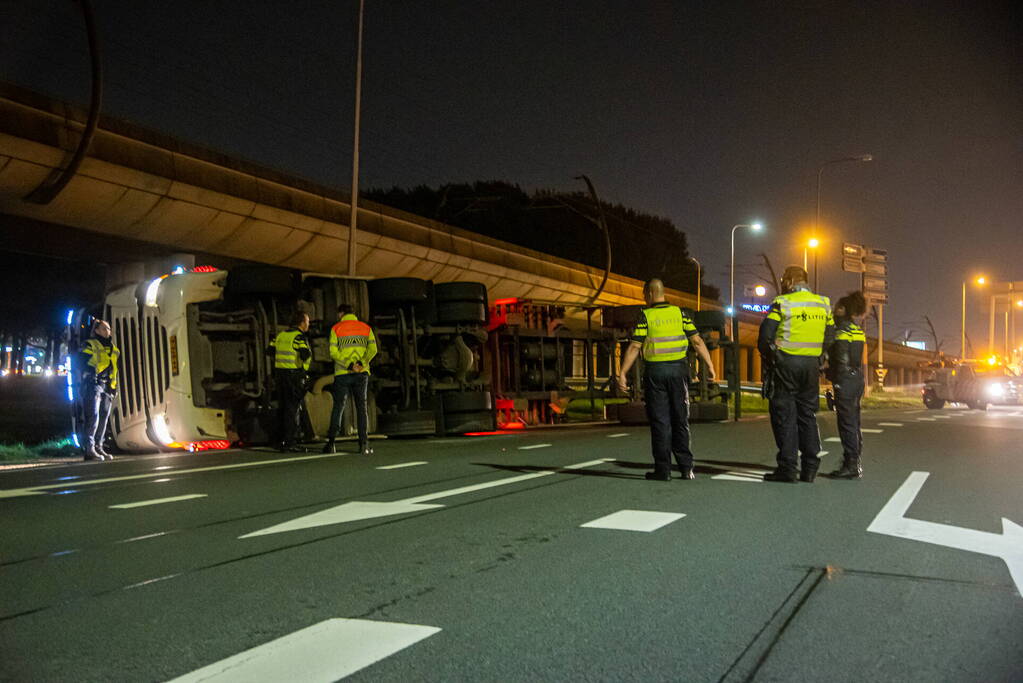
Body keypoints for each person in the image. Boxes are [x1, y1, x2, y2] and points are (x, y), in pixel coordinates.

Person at [617, 278, 717, 480]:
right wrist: (710, 365)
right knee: (681, 419)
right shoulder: (681, 314)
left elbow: (636, 346)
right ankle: (686, 468)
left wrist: (623, 372)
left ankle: (663, 470)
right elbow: (696, 341)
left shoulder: (646, 316)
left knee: (660, 421)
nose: (644, 299)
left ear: (651, 294)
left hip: (655, 373)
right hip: (679, 373)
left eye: (645, 295)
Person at [758, 265, 835, 483]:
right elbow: (831, 336)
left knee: (784, 416)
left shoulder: (783, 303)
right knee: (807, 416)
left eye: (784, 280)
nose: (782, 283)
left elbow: (765, 337)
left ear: (791, 281)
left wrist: (774, 357)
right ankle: (810, 468)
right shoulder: (823, 304)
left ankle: (788, 468)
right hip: (811, 366)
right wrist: (820, 357)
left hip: (786, 365)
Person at [323, 304, 377, 455]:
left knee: (338, 406)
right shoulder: (366, 328)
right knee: (362, 408)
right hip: (361, 373)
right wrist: (361, 363)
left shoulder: (336, 329)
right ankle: (364, 445)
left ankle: (331, 444)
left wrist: (349, 364)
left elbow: (333, 352)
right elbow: (373, 349)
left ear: (341, 313)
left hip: (342, 373)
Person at [826, 291, 867, 479]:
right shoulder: (858, 330)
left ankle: (850, 464)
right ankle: (855, 461)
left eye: (838, 307)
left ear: (844, 309)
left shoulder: (840, 331)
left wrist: (835, 379)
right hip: (857, 379)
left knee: (846, 423)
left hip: (845, 380)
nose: (835, 310)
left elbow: (841, 359)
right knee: (854, 422)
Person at [79, 319, 119, 461]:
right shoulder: (89, 344)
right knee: (93, 417)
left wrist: (113, 387)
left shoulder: (113, 348)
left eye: (108, 329)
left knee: (103, 416)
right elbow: (82, 361)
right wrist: (91, 373)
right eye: (103, 328)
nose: (107, 331)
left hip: (107, 386)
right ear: (96, 330)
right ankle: (89, 450)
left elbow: (114, 370)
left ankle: (98, 447)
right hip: (92, 384)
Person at [271, 311, 311, 452]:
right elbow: (305, 355)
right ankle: (290, 442)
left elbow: (269, 350)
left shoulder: (281, 335)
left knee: (282, 408)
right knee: (292, 409)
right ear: (301, 323)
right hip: (293, 375)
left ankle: (279, 440)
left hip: (279, 375)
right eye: (307, 321)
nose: (308, 324)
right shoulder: (299, 337)